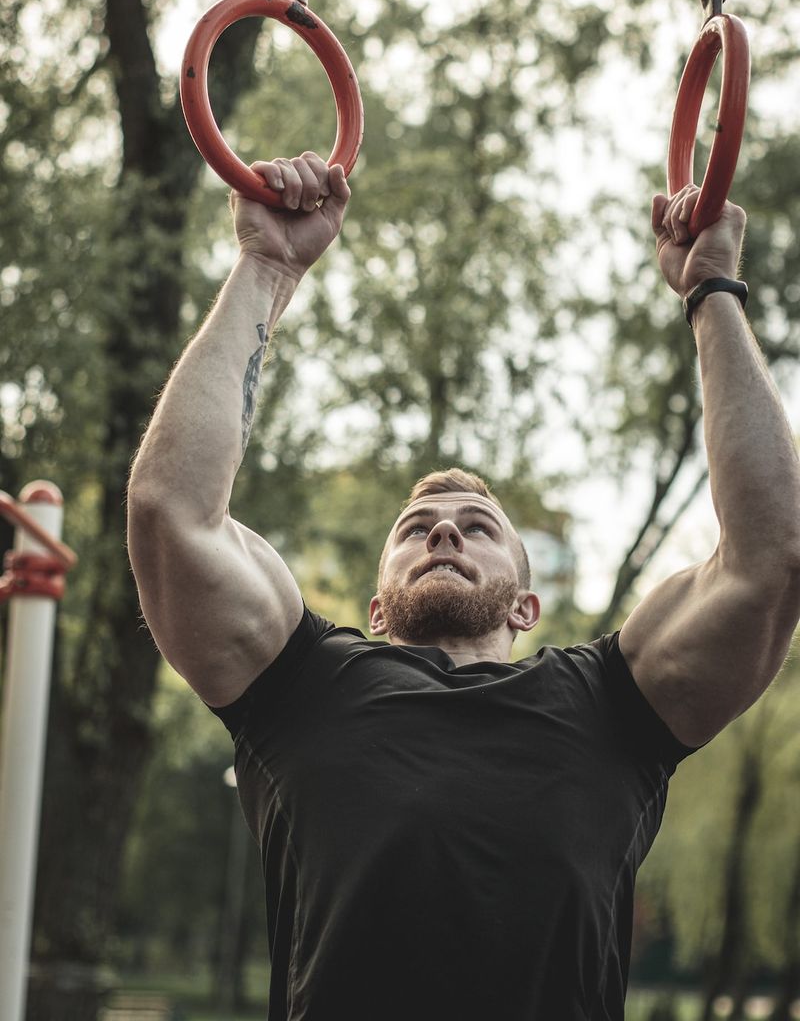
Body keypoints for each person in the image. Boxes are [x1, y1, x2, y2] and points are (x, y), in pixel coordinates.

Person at [127, 153, 800, 1021]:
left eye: (478, 528)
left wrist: (712, 291)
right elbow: (168, 511)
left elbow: (771, 557)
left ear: (527, 606)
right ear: (375, 609)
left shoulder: (612, 707)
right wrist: (265, 267)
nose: (444, 529)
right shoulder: (302, 688)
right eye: (415, 529)